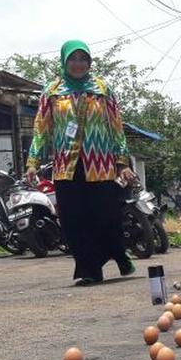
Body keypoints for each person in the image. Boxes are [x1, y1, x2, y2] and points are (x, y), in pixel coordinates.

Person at [26, 40, 136, 286]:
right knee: (74, 221)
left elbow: (116, 127)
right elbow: (41, 129)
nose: (78, 64)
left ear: (89, 62)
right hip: (66, 167)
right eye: (73, 59)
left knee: (106, 217)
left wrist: (122, 162)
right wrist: (33, 161)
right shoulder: (52, 91)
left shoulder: (102, 89)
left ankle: (118, 253)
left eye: (83, 59)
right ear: (65, 62)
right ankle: (88, 270)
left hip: (100, 165)